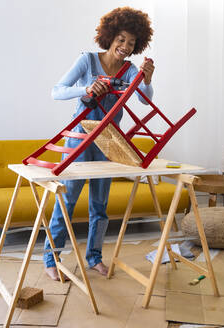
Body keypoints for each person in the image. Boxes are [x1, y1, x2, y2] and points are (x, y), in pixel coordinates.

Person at [44, 7, 155, 281]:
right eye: (121, 39)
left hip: (108, 142)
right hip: (79, 139)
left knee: (100, 206)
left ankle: (94, 258)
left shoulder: (130, 70)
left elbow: (144, 99)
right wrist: (86, 89)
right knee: (66, 201)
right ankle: (51, 258)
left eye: (131, 42)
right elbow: (56, 91)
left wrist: (146, 79)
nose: (125, 46)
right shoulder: (87, 61)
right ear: (110, 36)